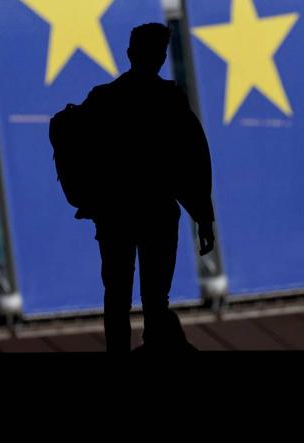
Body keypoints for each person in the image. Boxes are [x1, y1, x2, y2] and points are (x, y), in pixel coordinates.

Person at [79, 23, 215, 352]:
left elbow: (81, 154)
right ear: (161, 57)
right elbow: (191, 162)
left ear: (129, 54)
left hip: (114, 215)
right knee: (156, 299)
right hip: (157, 214)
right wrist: (203, 217)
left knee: (116, 298)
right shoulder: (169, 100)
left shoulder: (102, 98)